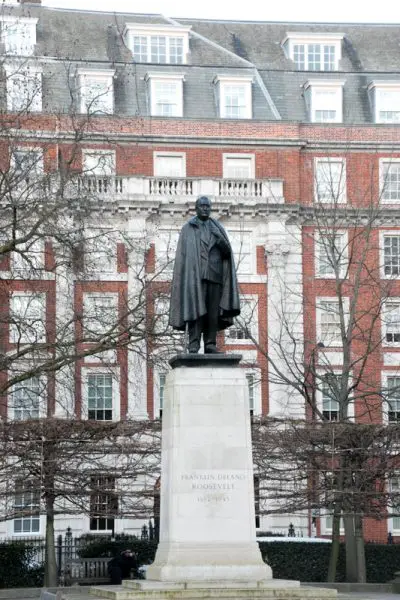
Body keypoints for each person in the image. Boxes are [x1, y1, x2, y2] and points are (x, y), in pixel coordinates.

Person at [169, 196, 240, 353]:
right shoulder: (188, 228)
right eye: (202, 206)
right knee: (195, 310)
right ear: (197, 208)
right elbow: (183, 257)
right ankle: (194, 342)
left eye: (208, 206)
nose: (205, 208)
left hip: (215, 275)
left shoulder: (218, 228)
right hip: (195, 277)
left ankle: (210, 343)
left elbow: (227, 253)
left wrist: (220, 239)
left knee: (213, 312)